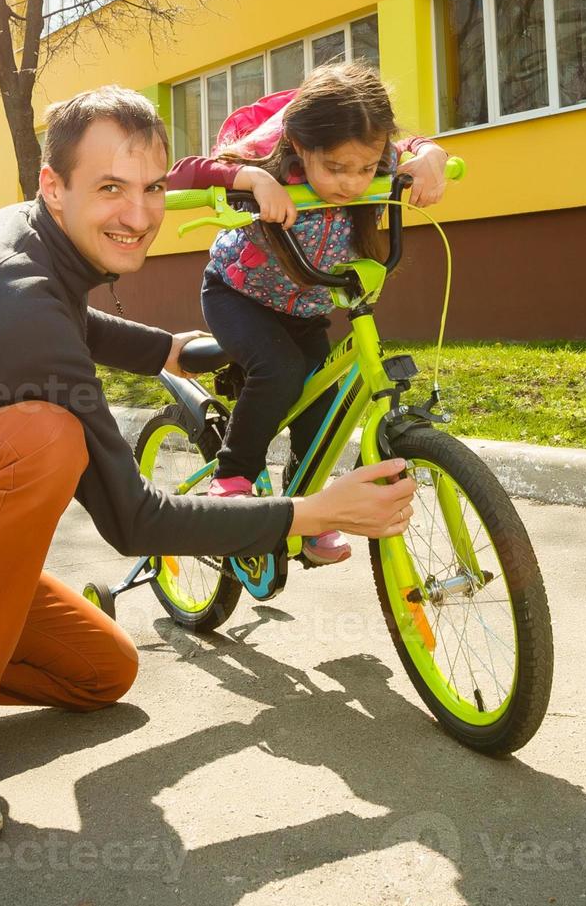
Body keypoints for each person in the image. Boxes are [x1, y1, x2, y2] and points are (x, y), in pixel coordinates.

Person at [0, 85, 417, 850]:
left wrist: (171, 350)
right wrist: (315, 512)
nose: (140, 213)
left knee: (101, 672)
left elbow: (73, 320)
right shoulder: (14, 298)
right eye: (110, 189)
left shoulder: (28, 241)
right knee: (45, 440)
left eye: (154, 187)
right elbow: (134, 521)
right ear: (54, 187)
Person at [167, 64, 450, 566]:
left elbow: (414, 147)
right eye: (336, 169)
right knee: (280, 373)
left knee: (323, 405)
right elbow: (182, 173)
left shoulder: (374, 149)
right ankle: (231, 478)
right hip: (239, 295)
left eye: (365, 170)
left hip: (306, 305)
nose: (353, 183)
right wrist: (249, 177)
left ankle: (308, 510)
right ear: (299, 146)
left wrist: (431, 156)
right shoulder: (269, 155)